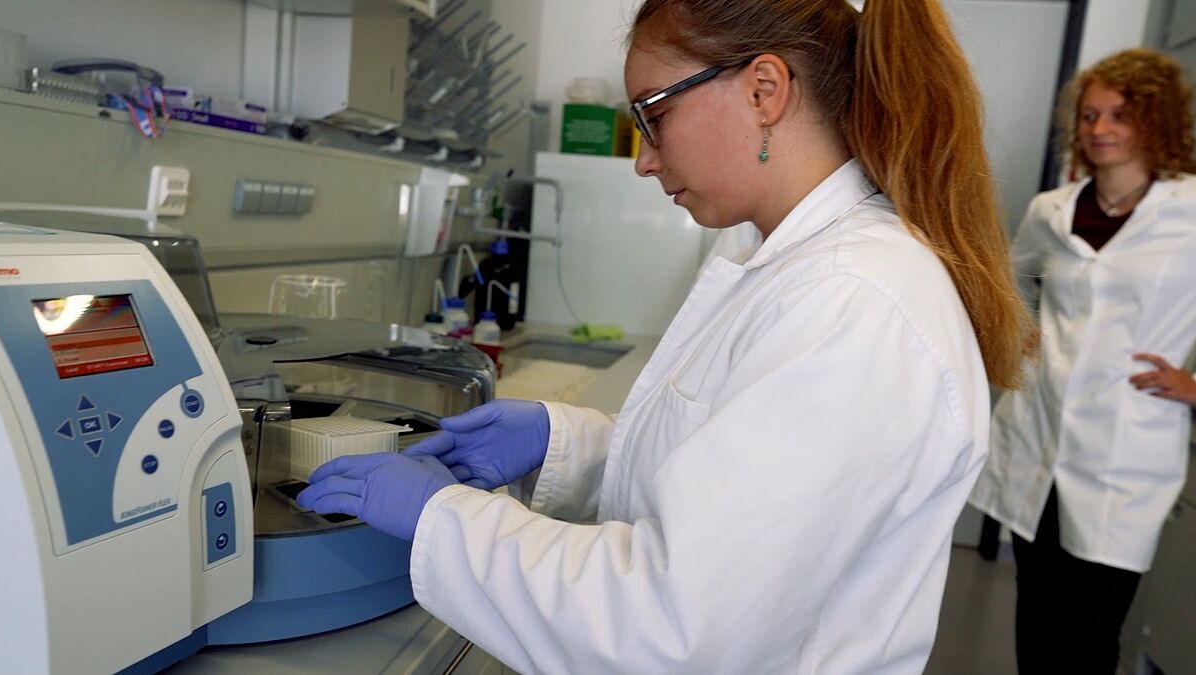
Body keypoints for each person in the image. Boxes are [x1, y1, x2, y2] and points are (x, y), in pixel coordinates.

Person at [298, 1, 1034, 672]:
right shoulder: (806, 269)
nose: (643, 158)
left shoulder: (854, 302)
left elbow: (672, 625)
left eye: (652, 116)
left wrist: (442, 518)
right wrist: (570, 444)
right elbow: (730, 472)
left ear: (764, 90)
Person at [969, 48, 1196, 675]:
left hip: (1123, 458)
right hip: (1038, 436)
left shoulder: (1189, 212)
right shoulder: (1053, 210)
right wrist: (1022, 339)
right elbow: (1005, 285)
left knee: (1092, 635)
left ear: (1156, 121)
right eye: (1091, 115)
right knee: (1036, 616)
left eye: (1119, 115)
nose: (1100, 129)